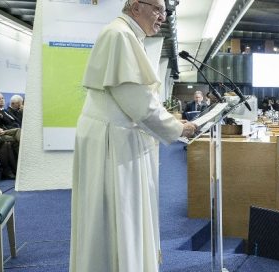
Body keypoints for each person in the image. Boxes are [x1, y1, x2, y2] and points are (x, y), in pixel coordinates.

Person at [70, 1, 197, 271]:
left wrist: (170, 121)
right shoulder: (120, 35)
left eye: (165, 12)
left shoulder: (128, 35)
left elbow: (138, 98)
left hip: (117, 136)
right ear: (136, 6)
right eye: (158, 9)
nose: (162, 17)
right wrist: (178, 128)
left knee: (118, 215)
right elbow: (138, 103)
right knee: (113, 217)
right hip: (112, 142)